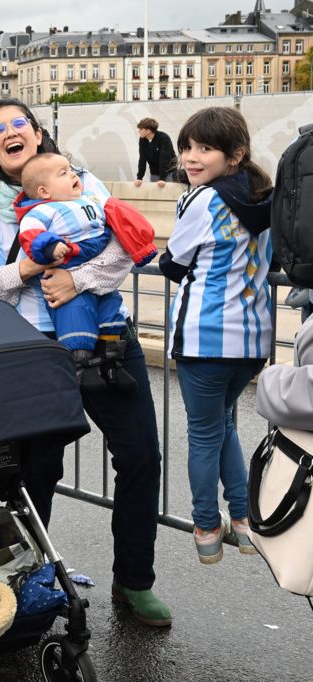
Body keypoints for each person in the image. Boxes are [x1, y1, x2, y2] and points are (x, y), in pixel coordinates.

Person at [0, 98, 170, 627]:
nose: (11, 133)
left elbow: (121, 249)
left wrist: (77, 280)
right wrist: (28, 268)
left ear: (36, 132)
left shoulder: (78, 180)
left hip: (107, 338)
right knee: (36, 471)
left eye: (20, 124)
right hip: (32, 349)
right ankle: (29, 585)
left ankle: (134, 580)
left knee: (142, 456)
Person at [158, 106, 272, 565]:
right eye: (187, 147)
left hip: (204, 338)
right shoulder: (264, 196)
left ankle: (206, 526)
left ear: (235, 154)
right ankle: (242, 521)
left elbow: (174, 261)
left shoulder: (202, 200)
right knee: (223, 426)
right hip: (252, 341)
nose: (190, 157)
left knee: (203, 435)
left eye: (205, 148)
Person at [16, 152, 147, 390]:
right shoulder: (42, 211)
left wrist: (140, 242)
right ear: (45, 191)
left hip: (97, 279)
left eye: (71, 169)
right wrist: (50, 246)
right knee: (76, 316)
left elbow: (118, 223)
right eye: (63, 173)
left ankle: (112, 364)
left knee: (111, 313)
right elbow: (31, 235)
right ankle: (81, 368)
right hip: (67, 265)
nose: (73, 174)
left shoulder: (90, 197)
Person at [134, 117, 176, 187]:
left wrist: (162, 178)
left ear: (148, 131)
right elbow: (142, 159)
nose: (139, 131)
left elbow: (164, 159)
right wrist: (139, 178)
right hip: (154, 172)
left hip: (169, 171)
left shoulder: (163, 138)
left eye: (141, 129)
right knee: (155, 194)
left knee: (168, 194)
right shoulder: (142, 140)